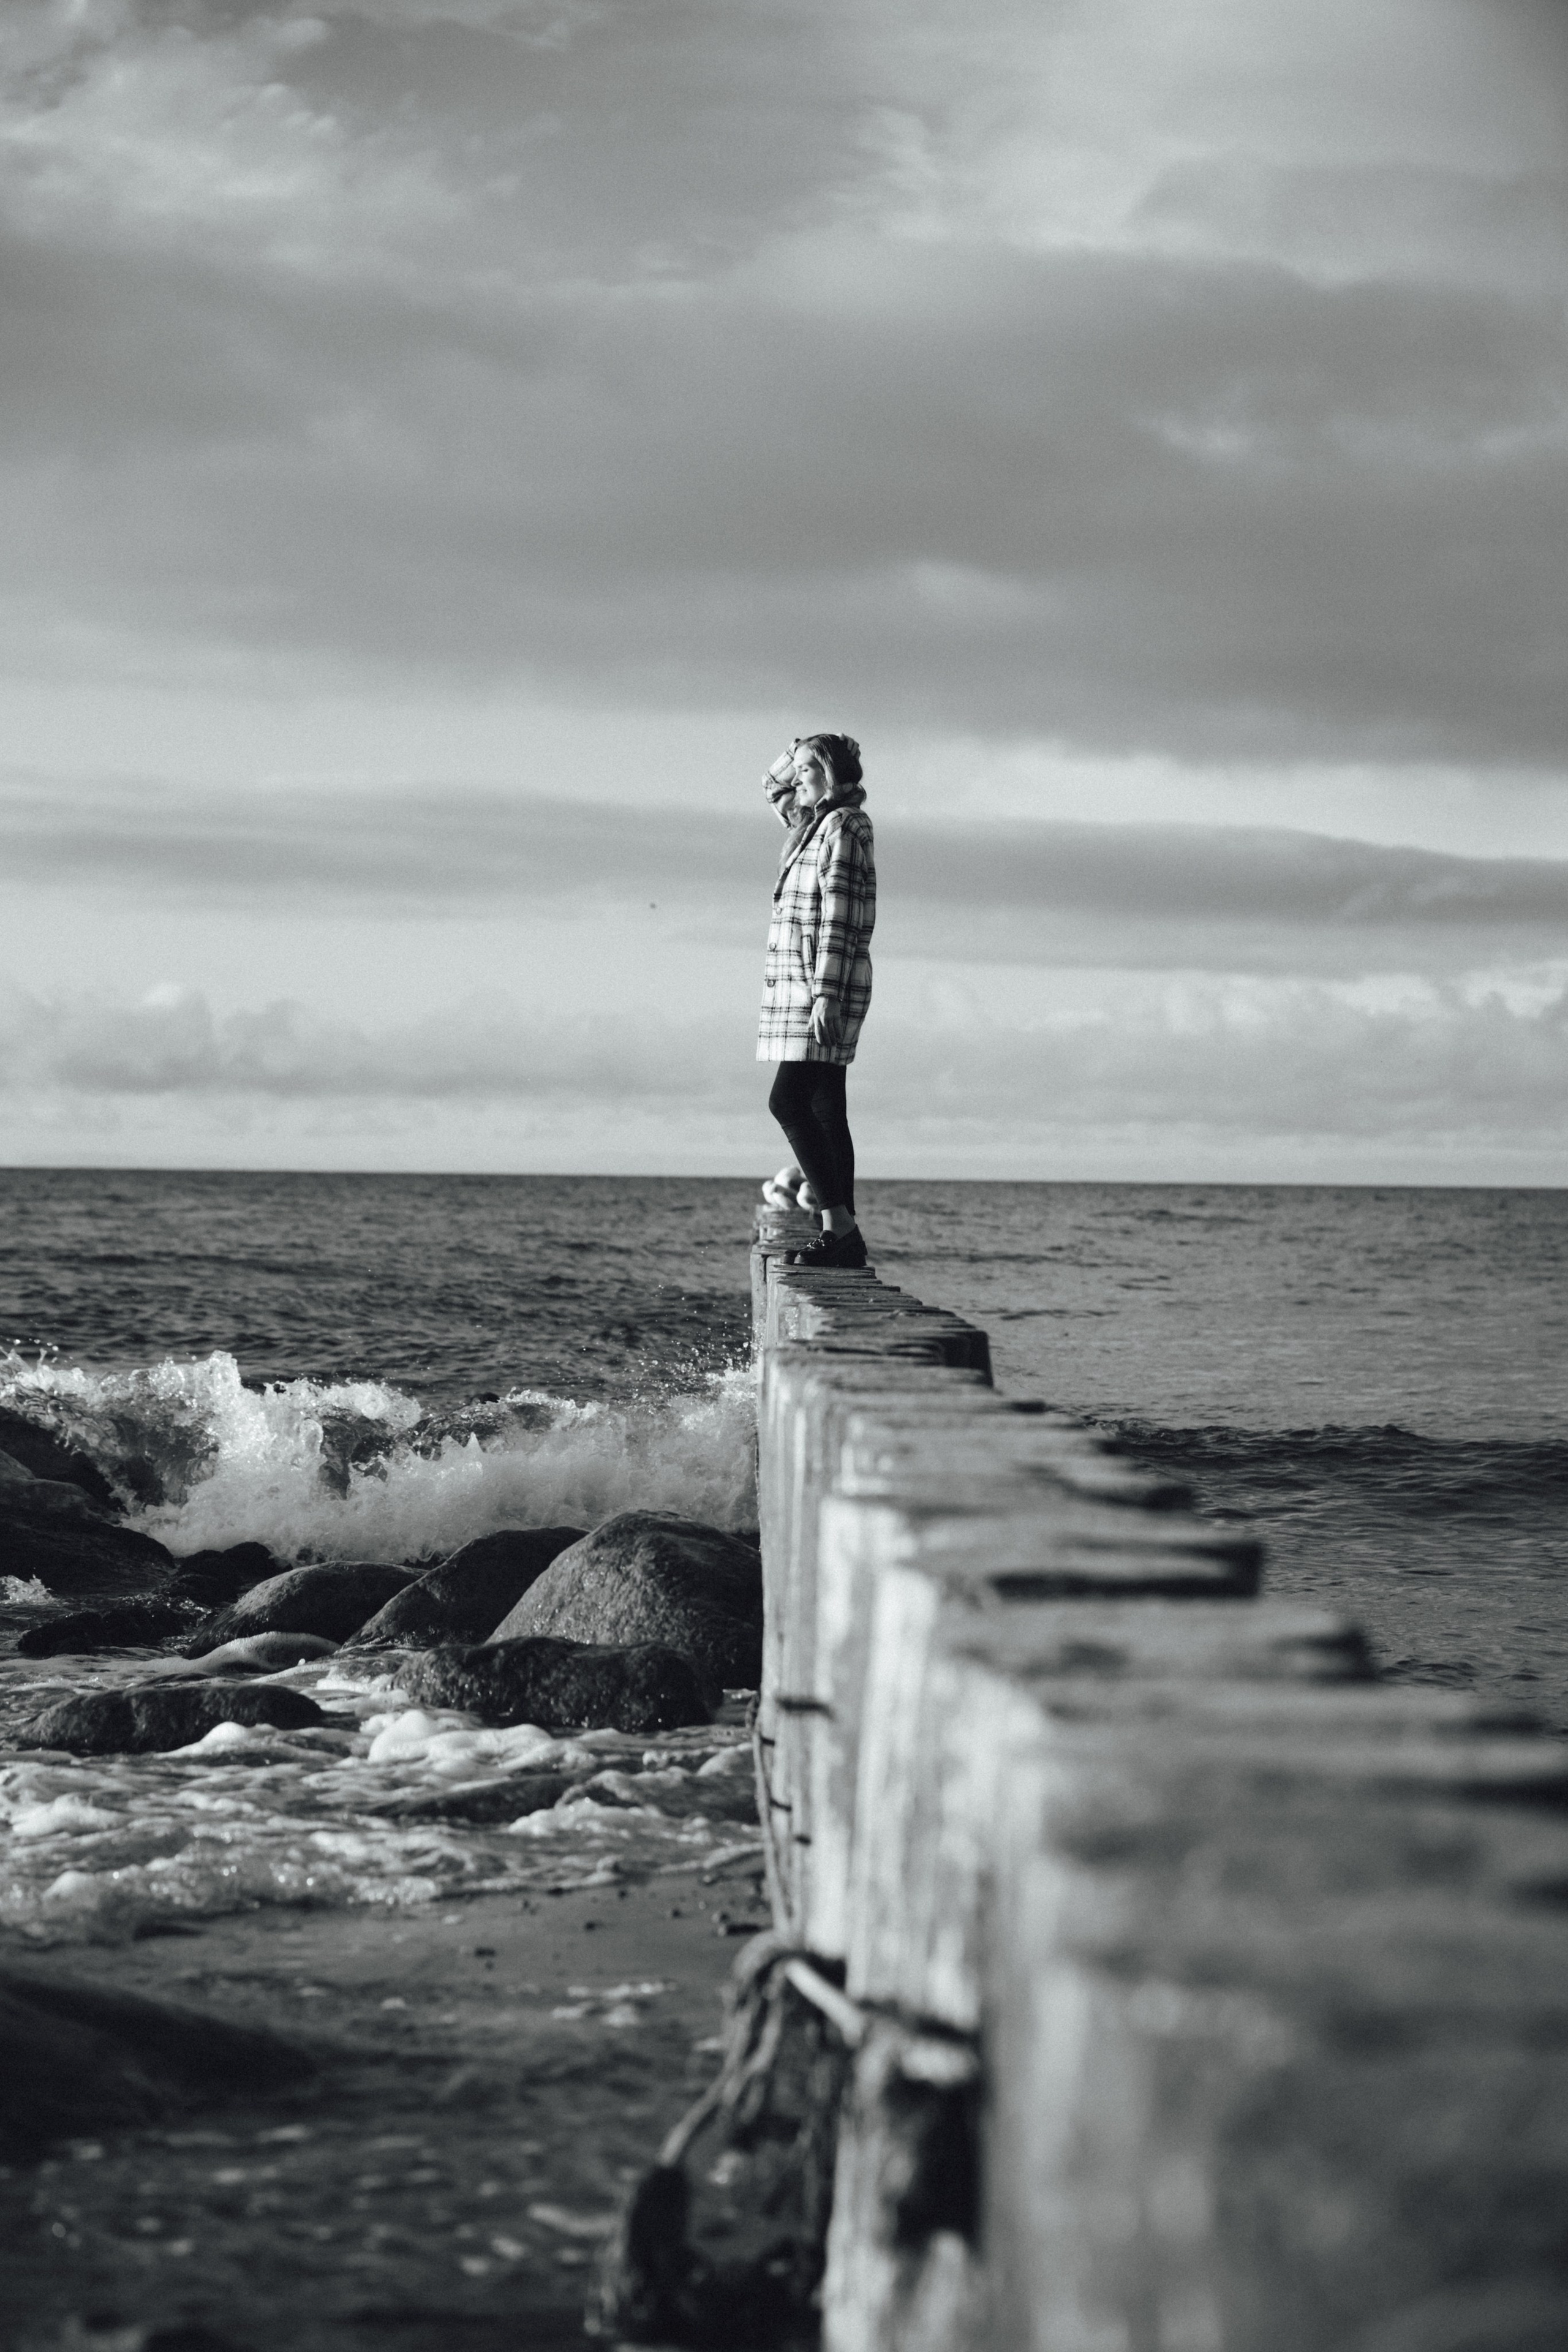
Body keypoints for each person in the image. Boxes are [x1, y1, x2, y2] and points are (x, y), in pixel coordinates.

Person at [756, 732, 876, 1268]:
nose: (797, 777)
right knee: (827, 1109)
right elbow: (771, 785)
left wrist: (826, 993)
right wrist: (802, 746)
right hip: (805, 988)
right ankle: (840, 1234)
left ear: (830, 774)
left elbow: (841, 917)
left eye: (808, 768)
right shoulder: (809, 824)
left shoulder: (844, 826)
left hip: (821, 989)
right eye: (799, 768)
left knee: (788, 1102)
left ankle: (839, 1226)